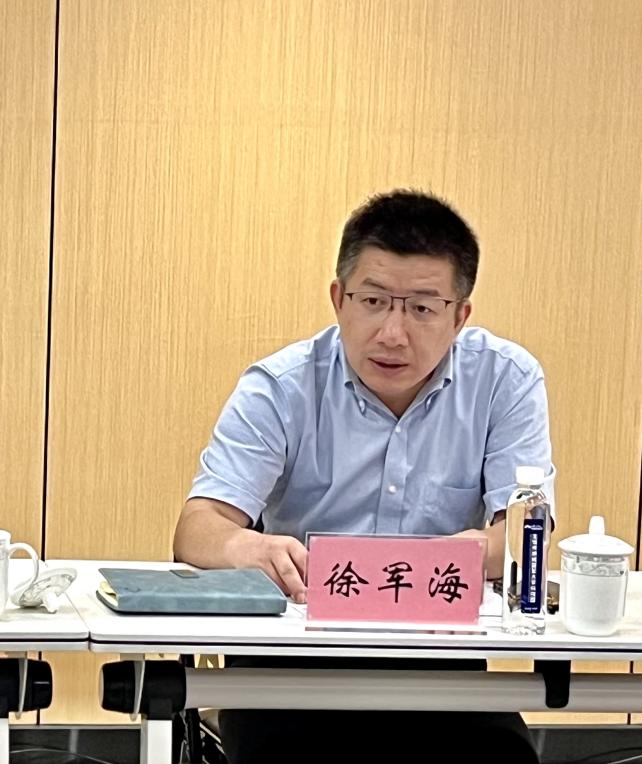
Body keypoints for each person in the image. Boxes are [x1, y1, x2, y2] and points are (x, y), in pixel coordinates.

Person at [173, 189, 552, 763]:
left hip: (442, 661)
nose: (393, 333)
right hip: (289, 665)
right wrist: (253, 548)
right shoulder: (281, 386)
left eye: (422, 308)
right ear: (339, 299)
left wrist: (458, 555)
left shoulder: (505, 380)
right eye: (373, 301)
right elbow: (197, 530)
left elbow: (525, 534)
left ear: (460, 316)